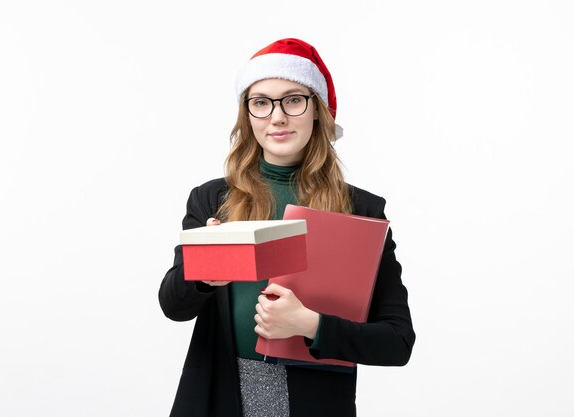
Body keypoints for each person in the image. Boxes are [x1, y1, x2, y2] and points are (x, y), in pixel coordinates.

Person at [158, 38, 415, 417]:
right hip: (221, 393)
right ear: (247, 116)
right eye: (261, 103)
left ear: (317, 111)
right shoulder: (213, 199)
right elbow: (172, 306)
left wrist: (311, 324)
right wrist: (203, 273)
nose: (277, 117)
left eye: (293, 100)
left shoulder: (361, 209)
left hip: (316, 399)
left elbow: (397, 342)